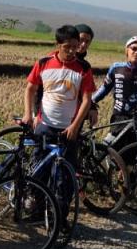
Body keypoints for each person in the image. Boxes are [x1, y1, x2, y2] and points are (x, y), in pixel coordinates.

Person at [24, 25, 96, 166]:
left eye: (74, 47)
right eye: (66, 47)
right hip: (44, 125)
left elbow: (86, 100)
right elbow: (30, 89)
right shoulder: (43, 63)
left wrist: (75, 126)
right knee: (39, 168)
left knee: (66, 171)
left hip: (68, 128)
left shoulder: (84, 68)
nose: (71, 51)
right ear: (58, 44)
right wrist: (28, 114)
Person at [92, 35, 137, 155]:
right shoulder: (116, 68)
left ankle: (126, 168)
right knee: (114, 149)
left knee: (133, 152)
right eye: (134, 48)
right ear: (127, 50)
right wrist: (91, 101)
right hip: (119, 115)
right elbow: (105, 88)